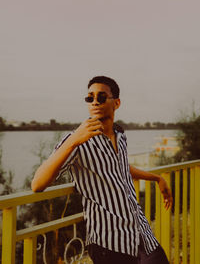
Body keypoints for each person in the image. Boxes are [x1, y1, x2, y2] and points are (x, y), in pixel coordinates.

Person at [32, 76, 173, 264]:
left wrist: (155, 178)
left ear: (117, 103)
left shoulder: (120, 135)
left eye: (101, 96)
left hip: (141, 233)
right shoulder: (77, 141)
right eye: (90, 98)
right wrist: (73, 141)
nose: (95, 102)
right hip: (110, 244)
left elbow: (120, 167)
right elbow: (37, 184)